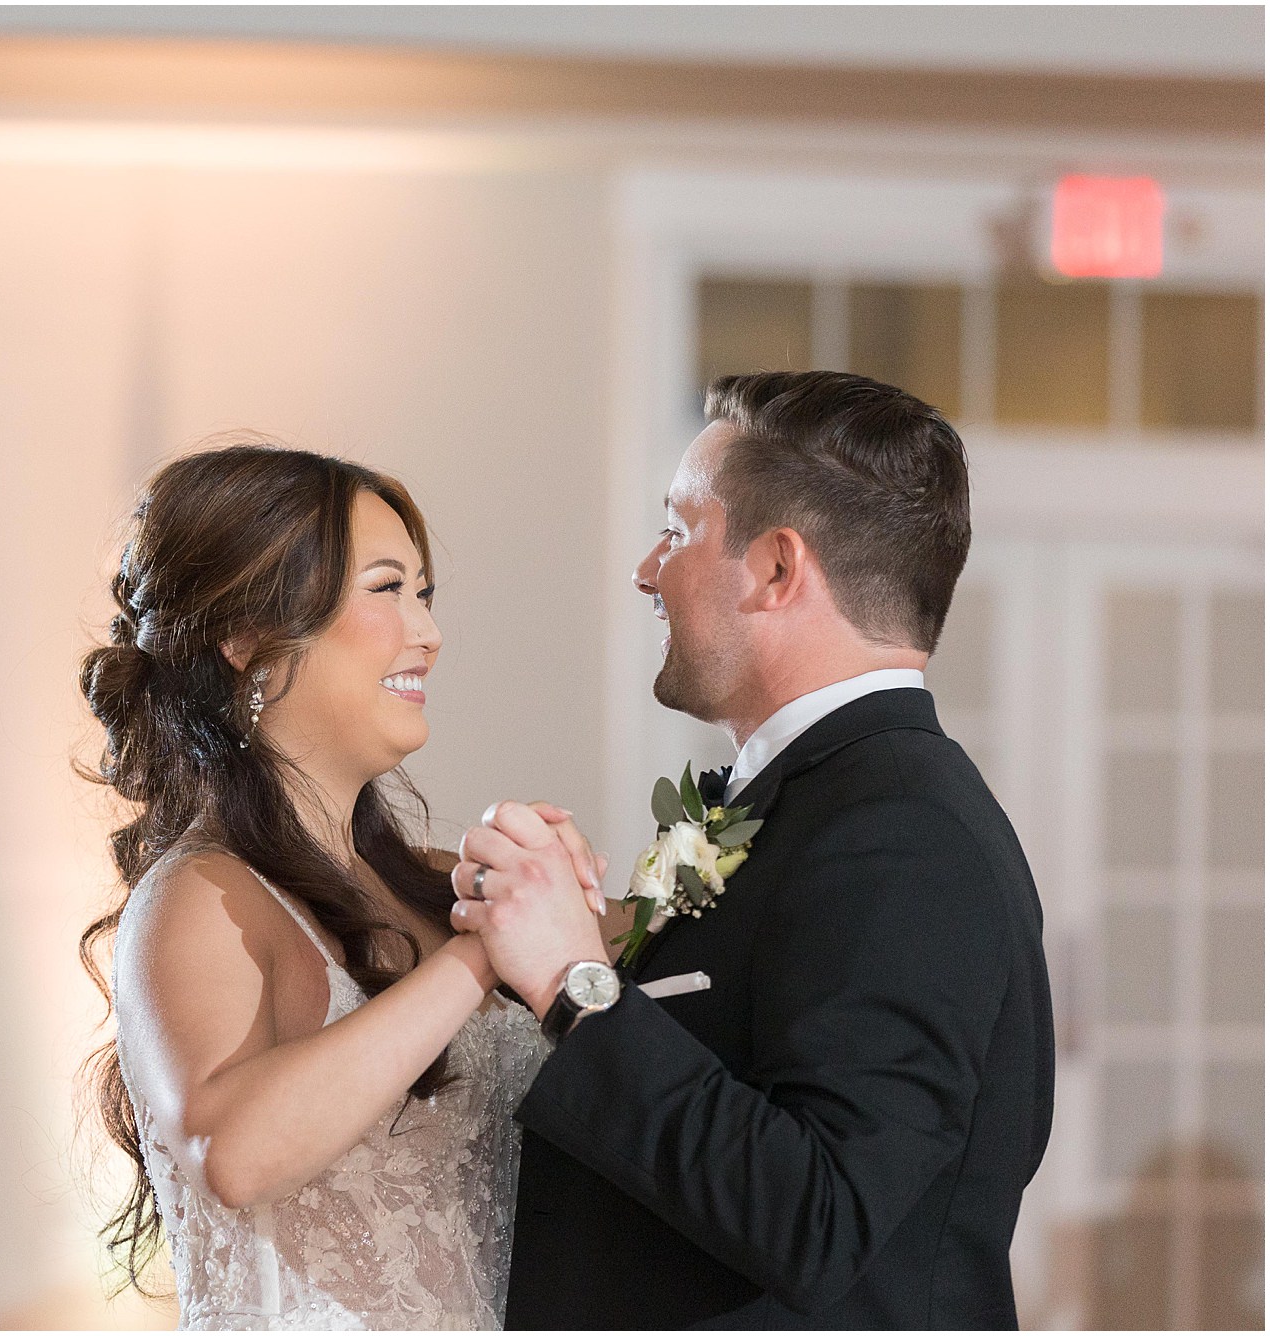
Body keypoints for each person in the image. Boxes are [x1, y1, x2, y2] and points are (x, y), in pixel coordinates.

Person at [452, 370, 1055, 1328]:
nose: (646, 570)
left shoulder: (904, 834)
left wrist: (576, 986)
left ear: (776, 569)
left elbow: (821, 1217)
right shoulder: (823, 801)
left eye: (676, 530)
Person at [76, 444, 597, 1329]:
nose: (428, 634)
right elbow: (231, 1152)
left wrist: (562, 893)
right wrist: (480, 954)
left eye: (425, 595)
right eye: (388, 589)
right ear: (247, 638)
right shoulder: (199, 895)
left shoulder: (434, 883)